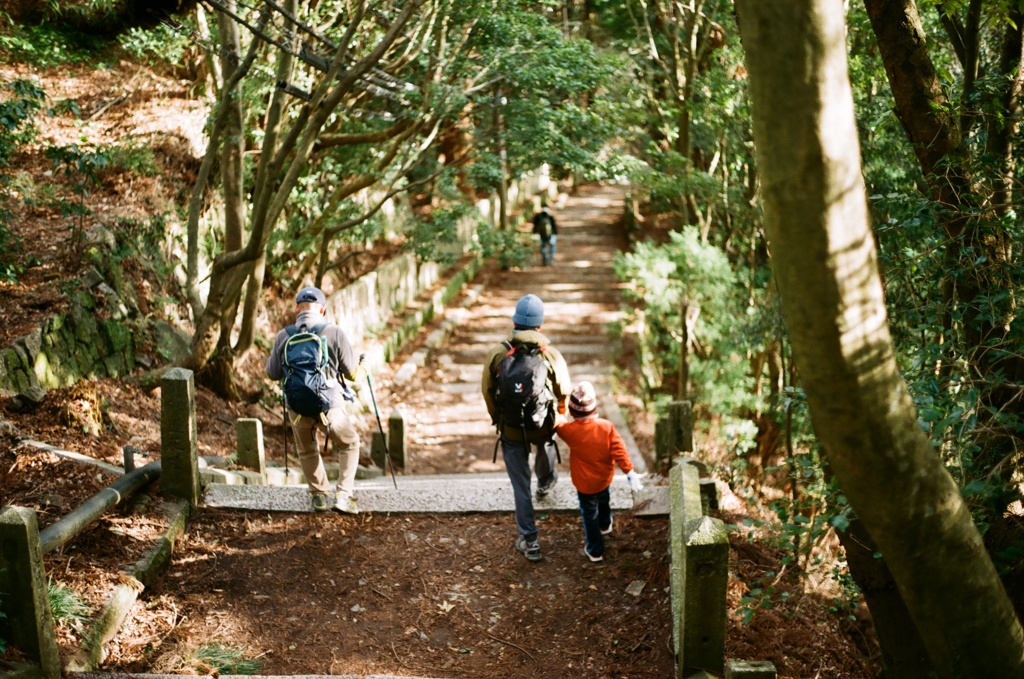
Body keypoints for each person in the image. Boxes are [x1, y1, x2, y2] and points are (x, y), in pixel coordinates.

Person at [482, 293, 572, 562]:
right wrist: (560, 412)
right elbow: (563, 389)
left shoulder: (498, 353)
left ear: (515, 322)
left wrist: (498, 418)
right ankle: (545, 481)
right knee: (544, 445)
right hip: (541, 424)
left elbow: (487, 391)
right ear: (540, 326)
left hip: (510, 429)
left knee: (520, 485)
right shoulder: (550, 355)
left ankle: (530, 540)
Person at [266, 286, 365, 514]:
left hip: (297, 407)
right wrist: (365, 366)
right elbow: (352, 374)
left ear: (297, 308)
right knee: (349, 444)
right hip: (330, 406)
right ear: (322, 309)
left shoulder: (284, 335)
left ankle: (319, 496)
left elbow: (272, 373)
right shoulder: (334, 332)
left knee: (307, 449)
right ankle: (343, 495)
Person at [555, 381, 644, 562]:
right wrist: (629, 472)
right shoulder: (606, 427)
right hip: (604, 478)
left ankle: (595, 550)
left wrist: (560, 405)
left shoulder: (568, 431)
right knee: (604, 500)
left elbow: (558, 421)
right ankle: (605, 524)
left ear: (574, 412)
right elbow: (619, 450)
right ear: (594, 408)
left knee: (589, 514)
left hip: (584, 483)